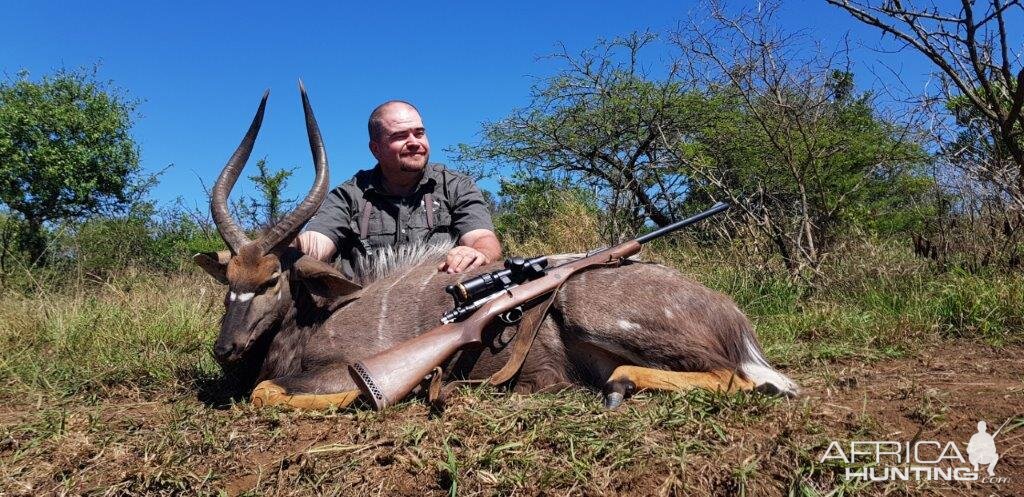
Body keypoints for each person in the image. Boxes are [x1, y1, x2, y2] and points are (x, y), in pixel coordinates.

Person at [297, 100, 502, 278]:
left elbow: (482, 239)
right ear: (376, 149)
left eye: (419, 133)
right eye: (400, 136)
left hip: (440, 302)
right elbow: (315, 246)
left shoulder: (456, 185)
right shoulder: (349, 195)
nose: (414, 142)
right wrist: (286, 248)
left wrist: (478, 253)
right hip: (365, 311)